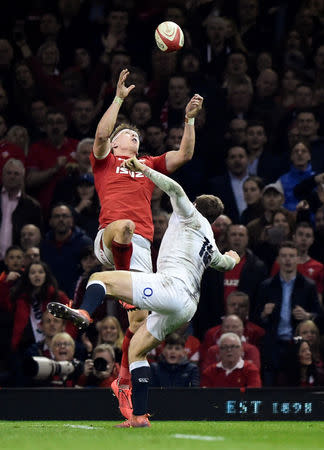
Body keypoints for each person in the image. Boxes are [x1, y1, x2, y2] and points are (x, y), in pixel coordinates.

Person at [48, 154, 240, 427]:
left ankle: (84, 312)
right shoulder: (209, 238)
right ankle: (139, 416)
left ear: (196, 205)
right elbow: (224, 263)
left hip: (171, 287)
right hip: (187, 307)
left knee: (100, 278)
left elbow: (174, 189)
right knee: (137, 349)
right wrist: (234, 257)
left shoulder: (189, 213)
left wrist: (141, 168)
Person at [62, 69, 203, 405]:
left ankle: (124, 381)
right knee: (123, 225)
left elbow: (184, 155)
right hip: (108, 236)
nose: (133, 137)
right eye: (127, 134)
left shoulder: (149, 165)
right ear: (115, 144)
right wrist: (119, 98)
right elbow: (98, 137)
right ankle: (85, 312)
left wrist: (189, 120)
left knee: (139, 324)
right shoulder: (106, 162)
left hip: (140, 249)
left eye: (136, 136)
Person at [254, 241, 322, 385]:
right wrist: (264, 314)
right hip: (273, 344)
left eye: (291, 256)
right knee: (270, 389)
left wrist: (308, 316)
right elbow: (255, 318)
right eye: (284, 256)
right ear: (278, 259)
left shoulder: (308, 286)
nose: (288, 260)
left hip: (297, 345)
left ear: (297, 259)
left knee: (294, 391)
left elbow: (319, 316)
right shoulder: (266, 286)